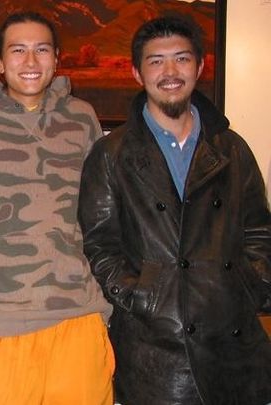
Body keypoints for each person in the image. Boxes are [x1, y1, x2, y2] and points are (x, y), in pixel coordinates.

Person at [78, 16, 271, 405]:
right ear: (137, 73)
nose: (170, 72)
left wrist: (250, 285)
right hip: (155, 347)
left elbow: (259, 231)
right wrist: (143, 296)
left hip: (233, 344)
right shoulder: (112, 154)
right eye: (156, 61)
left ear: (200, 67)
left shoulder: (232, 148)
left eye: (181, 59)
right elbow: (100, 244)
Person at [0, 12, 114, 405]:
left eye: (42, 50)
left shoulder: (82, 117)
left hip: (78, 316)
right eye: (18, 51)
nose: (31, 61)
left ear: (57, 58)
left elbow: (103, 213)